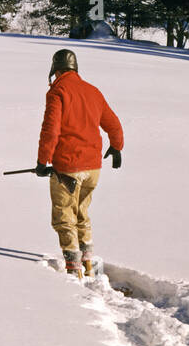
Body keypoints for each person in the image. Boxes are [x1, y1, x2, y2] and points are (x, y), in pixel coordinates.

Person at [35, 49, 124, 278]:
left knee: (64, 215)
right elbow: (113, 124)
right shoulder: (92, 91)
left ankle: (74, 270)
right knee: (82, 212)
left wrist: (42, 161)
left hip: (67, 167)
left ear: (56, 70)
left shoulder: (58, 91)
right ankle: (89, 266)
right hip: (93, 167)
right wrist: (116, 147)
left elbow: (51, 130)